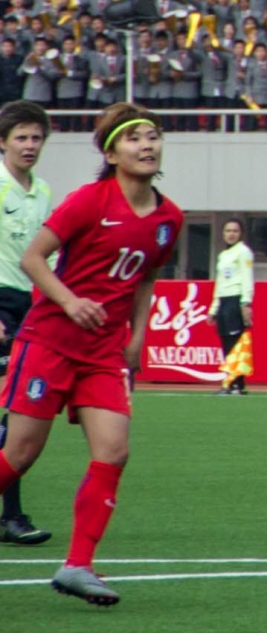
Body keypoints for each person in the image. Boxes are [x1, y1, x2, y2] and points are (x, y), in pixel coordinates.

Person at [0, 103, 180, 606]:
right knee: (19, 455)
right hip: (50, 339)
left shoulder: (169, 218)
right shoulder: (87, 201)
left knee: (114, 451)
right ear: (111, 151)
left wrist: (137, 337)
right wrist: (69, 300)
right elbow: (34, 258)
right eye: (134, 139)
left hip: (103, 351)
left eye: (153, 136)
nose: (146, 145)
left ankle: (78, 565)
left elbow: (145, 277)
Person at [0, 99, 54, 541]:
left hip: (27, 307)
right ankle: (12, 517)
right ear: (3, 143)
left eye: (36, 137)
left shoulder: (43, 192)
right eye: (21, 137)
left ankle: (11, 517)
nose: (30, 145)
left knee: (16, 416)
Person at [212, 217, 256, 395]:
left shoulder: (243, 252)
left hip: (235, 299)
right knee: (225, 342)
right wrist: (214, 308)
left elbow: (247, 278)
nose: (231, 234)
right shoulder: (223, 255)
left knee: (235, 343)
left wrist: (246, 302)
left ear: (241, 234)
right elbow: (220, 282)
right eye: (228, 231)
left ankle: (235, 383)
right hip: (224, 301)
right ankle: (233, 382)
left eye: (235, 231)